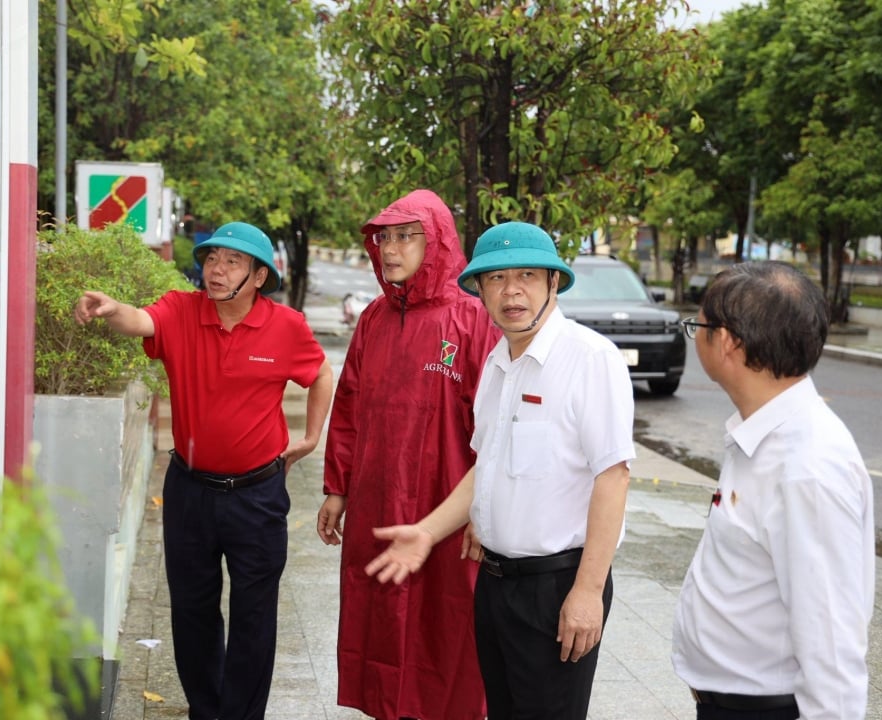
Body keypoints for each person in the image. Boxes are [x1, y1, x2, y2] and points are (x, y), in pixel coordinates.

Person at [364, 221, 636, 720]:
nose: (512, 291)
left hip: (557, 586)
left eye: (528, 275)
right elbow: (486, 466)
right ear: (479, 290)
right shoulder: (497, 362)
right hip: (494, 583)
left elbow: (613, 478)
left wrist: (588, 592)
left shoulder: (590, 359)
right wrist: (428, 531)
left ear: (554, 282)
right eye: (496, 278)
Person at [75, 221, 333, 720]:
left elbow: (320, 372)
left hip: (258, 496)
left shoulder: (287, 327)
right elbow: (139, 320)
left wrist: (311, 438)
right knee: (192, 612)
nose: (216, 269)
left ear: (259, 276)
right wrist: (111, 309)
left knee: (254, 617)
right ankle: (206, 710)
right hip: (190, 490)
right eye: (212, 258)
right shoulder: (180, 309)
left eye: (232, 262)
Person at [317, 189, 500, 720]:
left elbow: (493, 429)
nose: (390, 249)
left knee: (444, 633)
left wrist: (483, 510)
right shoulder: (374, 318)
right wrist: (337, 487)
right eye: (384, 238)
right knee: (378, 624)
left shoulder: (471, 320)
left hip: (445, 508)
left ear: (437, 240)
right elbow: (348, 405)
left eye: (405, 236)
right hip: (376, 502)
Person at [671, 261, 874, 720]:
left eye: (698, 326)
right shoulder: (764, 433)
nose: (696, 336)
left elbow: (831, 641)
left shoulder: (807, 465)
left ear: (726, 341)